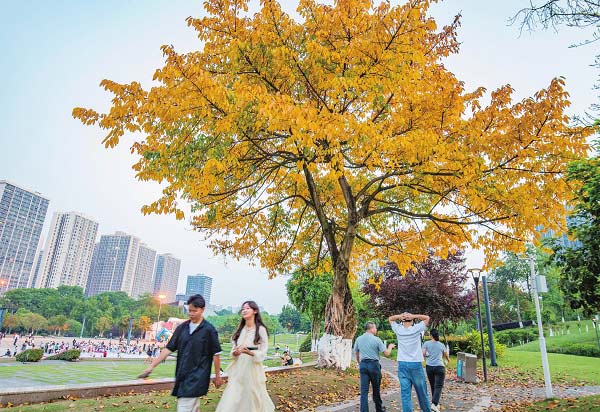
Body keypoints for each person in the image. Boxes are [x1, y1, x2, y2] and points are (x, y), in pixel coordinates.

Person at [139, 294, 223, 412]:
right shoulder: (182, 328)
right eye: (189, 310)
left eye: (195, 311)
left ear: (202, 310)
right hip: (182, 374)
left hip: (198, 376)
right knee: (192, 408)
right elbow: (168, 349)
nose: (191, 313)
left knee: (184, 407)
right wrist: (151, 366)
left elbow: (216, 354)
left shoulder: (209, 330)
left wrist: (218, 376)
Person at [216, 301, 275, 412]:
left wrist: (251, 353)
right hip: (238, 369)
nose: (244, 310)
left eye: (247, 308)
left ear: (255, 311)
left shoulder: (260, 329)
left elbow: (263, 351)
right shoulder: (240, 331)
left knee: (251, 396)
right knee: (233, 396)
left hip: (252, 369)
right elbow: (233, 351)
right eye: (243, 309)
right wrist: (235, 352)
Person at [389, 311, 431, 412]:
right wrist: (413, 316)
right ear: (412, 321)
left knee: (405, 395)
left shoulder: (398, 329)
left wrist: (400, 316)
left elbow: (390, 319)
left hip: (402, 364)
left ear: (402, 321)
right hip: (415, 364)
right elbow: (427, 318)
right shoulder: (416, 329)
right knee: (422, 393)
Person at [353, 321, 396, 412]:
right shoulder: (377, 340)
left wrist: (359, 363)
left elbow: (356, 352)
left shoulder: (359, 339)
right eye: (375, 328)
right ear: (371, 328)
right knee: (376, 389)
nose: (376, 330)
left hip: (363, 365)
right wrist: (390, 346)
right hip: (374, 365)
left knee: (364, 392)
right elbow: (387, 354)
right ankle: (379, 409)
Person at [422, 329, 450, 412]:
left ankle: (436, 404)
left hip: (429, 367)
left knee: (433, 385)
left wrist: (427, 355)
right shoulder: (441, 345)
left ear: (431, 335)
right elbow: (446, 355)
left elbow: (423, 354)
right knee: (438, 386)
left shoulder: (426, 343)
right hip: (439, 367)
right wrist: (448, 360)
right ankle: (434, 403)